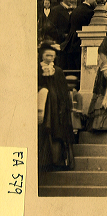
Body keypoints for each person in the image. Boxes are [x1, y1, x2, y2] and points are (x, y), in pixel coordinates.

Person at [38, 41, 75, 172]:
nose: (49, 58)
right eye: (47, 55)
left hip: (57, 108)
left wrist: (63, 107)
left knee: (57, 133)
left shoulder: (58, 71)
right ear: (42, 56)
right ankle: (44, 162)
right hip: (44, 106)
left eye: (52, 56)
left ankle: (57, 161)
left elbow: (63, 91)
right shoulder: (37, 70)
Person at [60, 0, 97, 70]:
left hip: (70, 44)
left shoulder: (76, 10)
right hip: (80, 45)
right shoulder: (90, 12)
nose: (96, 2)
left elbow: (69, 27)